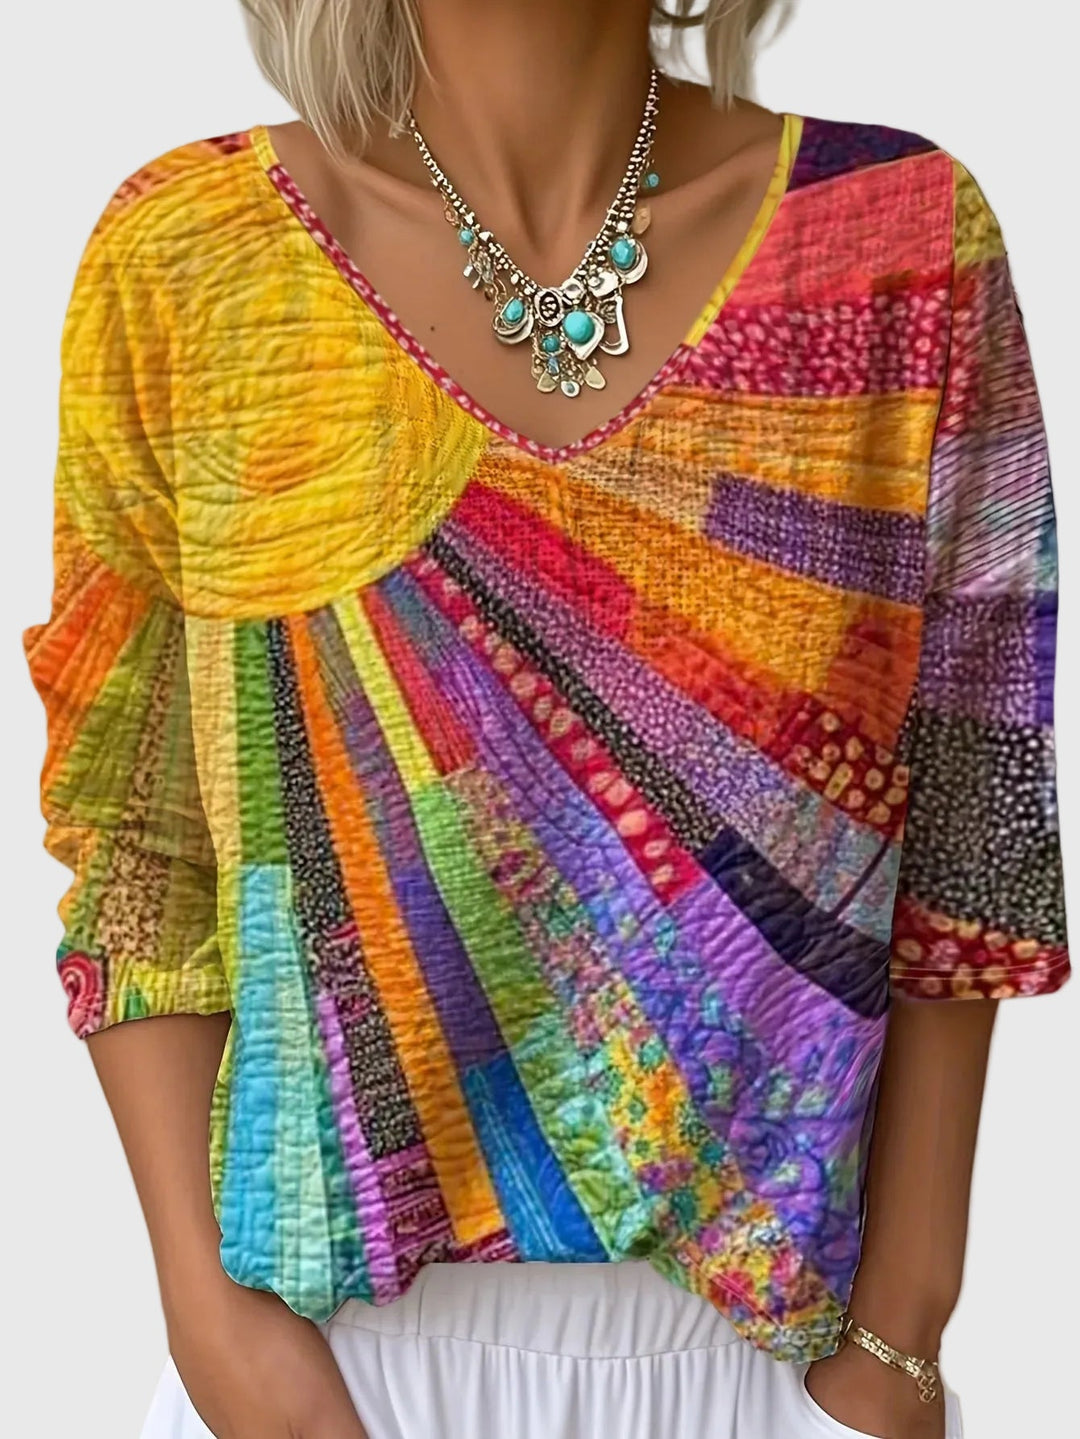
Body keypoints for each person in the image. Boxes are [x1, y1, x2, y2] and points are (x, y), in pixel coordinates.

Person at [23, 2, 1070, 1436]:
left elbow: (972, 819)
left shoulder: (896, 237)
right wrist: (222, 1336)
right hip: (327, 1373)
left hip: (772, 1369)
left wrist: (902, 1335)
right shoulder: (192, 255)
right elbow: (136, 845)